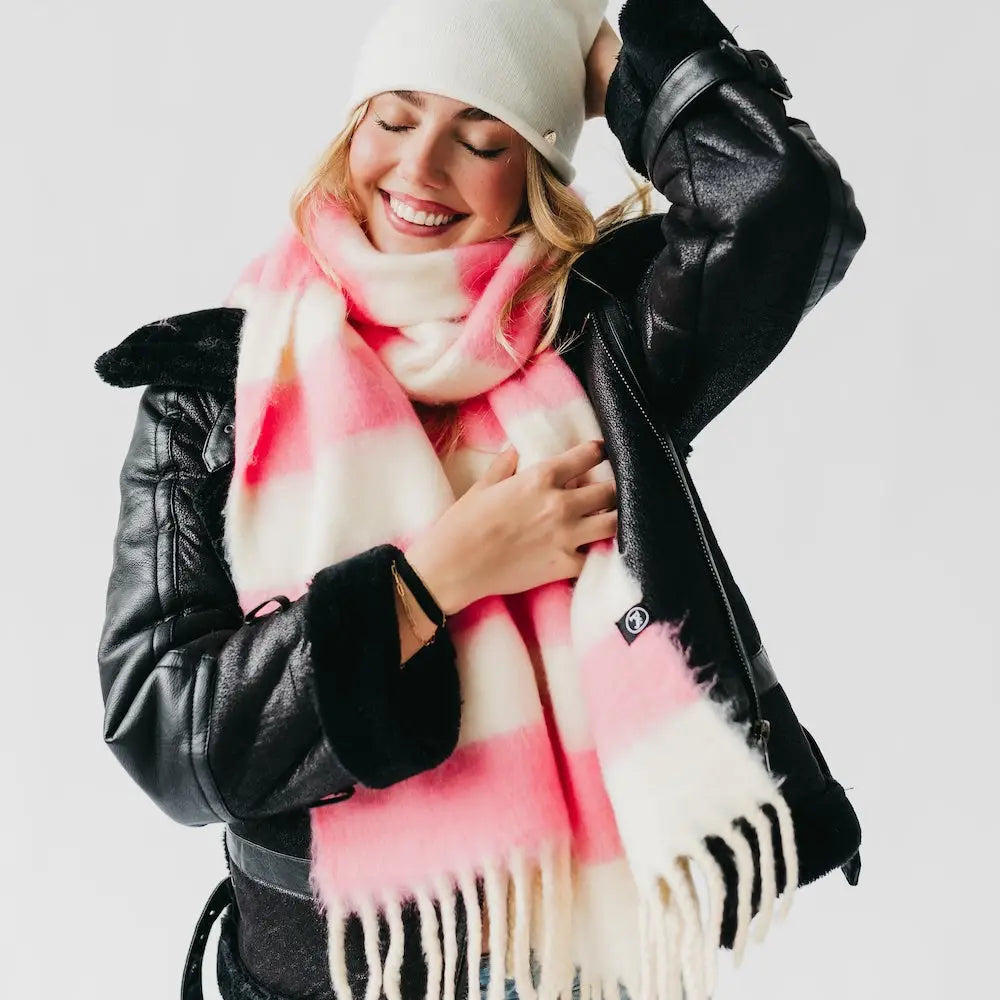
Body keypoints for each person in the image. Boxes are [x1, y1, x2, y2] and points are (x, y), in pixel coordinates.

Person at [93, 2, 865, 1000]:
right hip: (308, 977)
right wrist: (432, 579)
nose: (419, 171)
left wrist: (619, 63)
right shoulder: (213, 389)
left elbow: (780, 203)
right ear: (350, 129)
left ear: (534, 172)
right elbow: (169, 733)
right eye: (396, 117)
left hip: (568, 974)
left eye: (482, 136)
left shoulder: (599, 347)